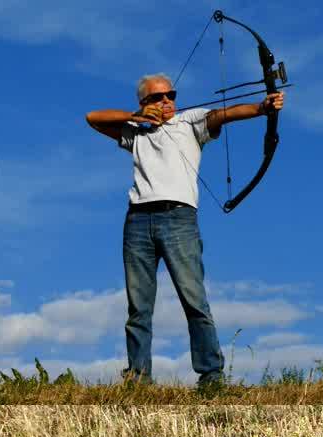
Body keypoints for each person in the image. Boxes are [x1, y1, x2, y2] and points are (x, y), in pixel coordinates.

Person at [85, 73, 284, 390]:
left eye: (170, 95)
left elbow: (224, 114)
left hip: (178, 219)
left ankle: (211, 376)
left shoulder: (190, 122)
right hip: (137, 220)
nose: (167, 101)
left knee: (194, 299)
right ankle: (138, 378)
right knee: (139, 306)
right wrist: (137, 117)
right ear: (144, 103)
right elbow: (92, 118)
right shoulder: (136, 131)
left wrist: (262, 107)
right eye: (158, 97)